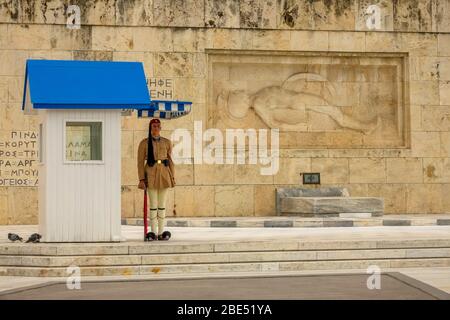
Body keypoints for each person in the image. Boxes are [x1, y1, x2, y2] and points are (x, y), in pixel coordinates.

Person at [137, 118, 176, 241]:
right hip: (151, 174)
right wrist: (142, 179)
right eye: (154, 126)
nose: (156, 128)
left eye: (158, 126)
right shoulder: (144, 143)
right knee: (153, 205)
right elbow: (139, 162)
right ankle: (153, 231)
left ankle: (161, 231)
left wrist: (172, 176)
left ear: (161, 128)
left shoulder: (166, 142)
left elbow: (170, 161)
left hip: (164, 174)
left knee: (162, 205)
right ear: (150, 128)